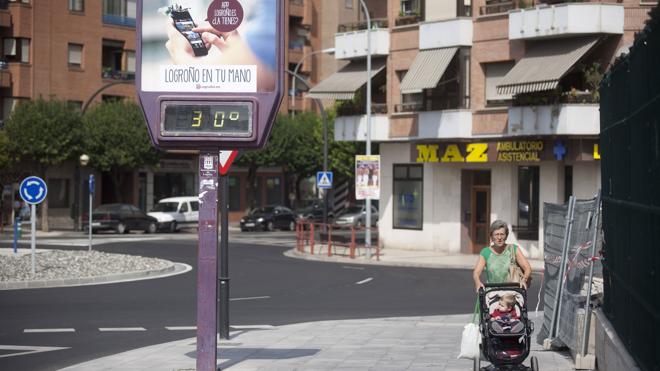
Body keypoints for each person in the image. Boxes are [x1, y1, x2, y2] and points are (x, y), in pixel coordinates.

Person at [473, 220, 532, 292]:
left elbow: (527, 268)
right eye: (496, 234)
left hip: (511, 295)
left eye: (502, 234)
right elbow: (476, 272)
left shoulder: (514, 249)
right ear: (491, 236)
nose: (499, 237)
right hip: (491, 293)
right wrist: (478, 282)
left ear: (506, 236)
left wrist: (524, 280)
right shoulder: (485, 252)